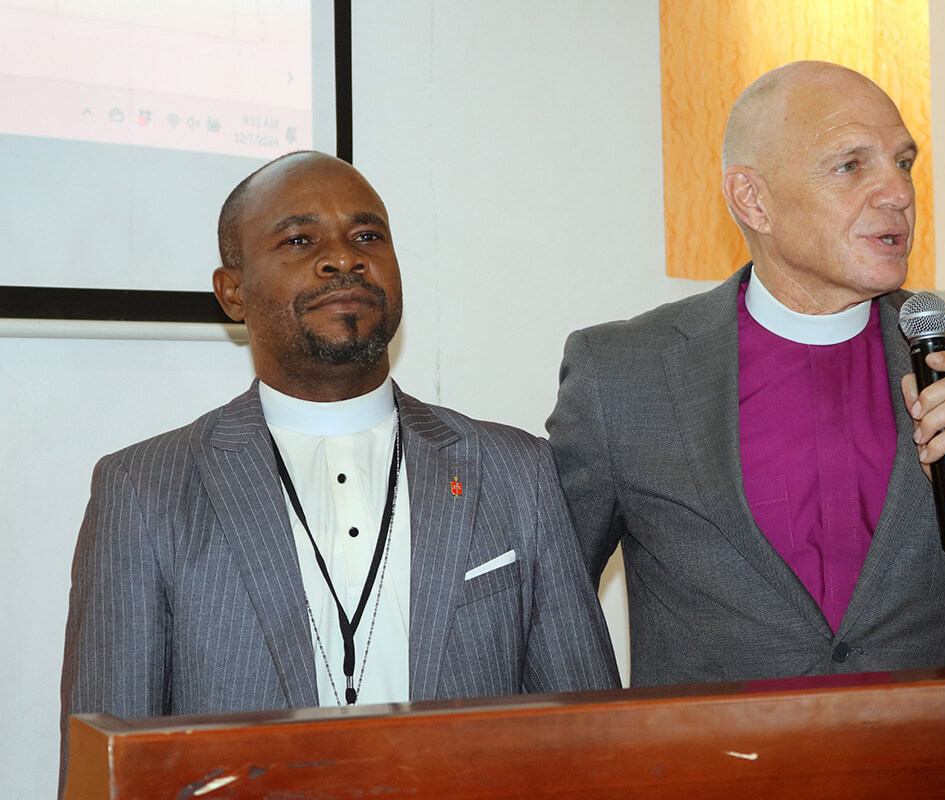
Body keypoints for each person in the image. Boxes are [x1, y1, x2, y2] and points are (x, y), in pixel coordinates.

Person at [60, 152, 618, 782]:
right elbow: (107, 764)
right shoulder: (144, 489)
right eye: (300, 240)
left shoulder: (514, 472)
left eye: (367, 236)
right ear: (232, 292)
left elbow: (588, 732)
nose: (343, 258)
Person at [547, 61, 945, 687]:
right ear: (753, 199)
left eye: (904, 162)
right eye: (851, 165)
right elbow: (547, 612)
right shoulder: (622, 376)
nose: (898, 192)